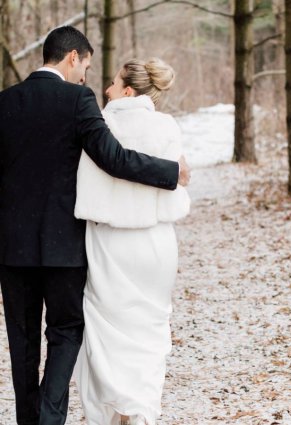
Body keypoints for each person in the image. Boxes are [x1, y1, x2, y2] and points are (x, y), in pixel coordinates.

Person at [0, 26, 189, 425]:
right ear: (72, 57)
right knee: (65, 333)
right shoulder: (77, 100)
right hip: (64, 247)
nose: (87, 76)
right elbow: (113, 158)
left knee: (22, 342)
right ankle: (50, 419)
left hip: (11, 248)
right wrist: (171, 172)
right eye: (85, 64)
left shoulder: (5, 102)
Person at [73, 58, 190, 425]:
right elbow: (181, 179)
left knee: (106, 331)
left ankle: (113, 412)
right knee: (150, 331)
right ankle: (140, 412)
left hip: (110, 242)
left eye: (111, 83)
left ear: (126, 91)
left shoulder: (98, 126)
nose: (105, 89)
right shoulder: (166, 125)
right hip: (156, 244)